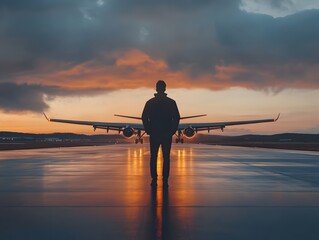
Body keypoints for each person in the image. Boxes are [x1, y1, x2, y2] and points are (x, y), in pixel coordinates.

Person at [142, 80, 180, 187]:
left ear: (156, 88)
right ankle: (165, 180)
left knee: (153, 157)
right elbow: (176, 117)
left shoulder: (150, 102)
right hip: (167, 134)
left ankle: (154, 179)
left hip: (154, 133)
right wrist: (172, 130)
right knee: (166, 157)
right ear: (165, 88)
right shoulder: (171, 102)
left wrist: (148, 129)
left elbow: (144, 117)